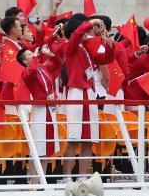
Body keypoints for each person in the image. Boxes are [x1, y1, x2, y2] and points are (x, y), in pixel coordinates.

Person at [62, 16, 113, 178]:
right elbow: (77, 34)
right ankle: (66, 177)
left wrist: (107, 42)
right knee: (73, 138)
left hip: (90, 92)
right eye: (87, 30)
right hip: (77, 92)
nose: (90, 32)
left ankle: (83, 176)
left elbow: (106, 58)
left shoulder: (87, 48)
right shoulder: (70, 47)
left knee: (88, 139)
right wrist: (92, 22)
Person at [19, 44, 63, 181]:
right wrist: (36, 57)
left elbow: (58, 63)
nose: (33, 55)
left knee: (47, 148)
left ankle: (42, 179)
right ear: (25, 61)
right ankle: (34, 182)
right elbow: (31, 71)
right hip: (39, 110)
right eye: (29, 55)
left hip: (50, 109)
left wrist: (50, 55)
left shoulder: (42, 68)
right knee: (37, 149)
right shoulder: (26, 72)